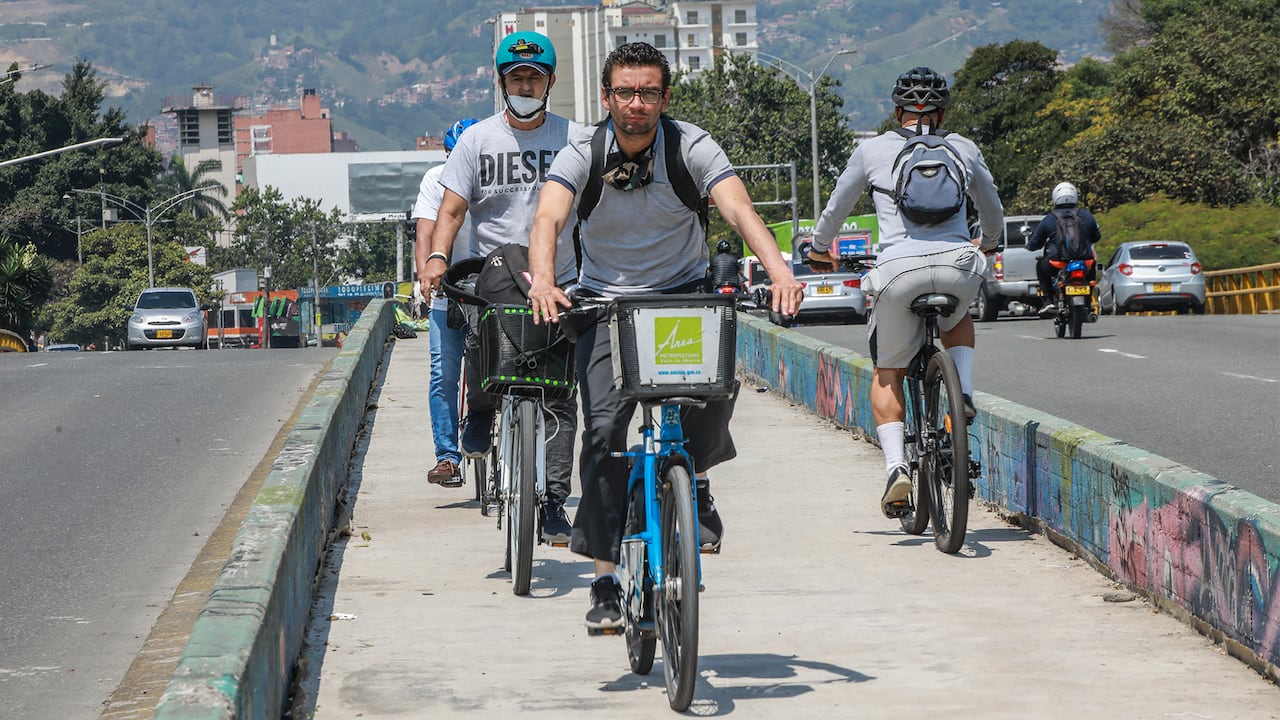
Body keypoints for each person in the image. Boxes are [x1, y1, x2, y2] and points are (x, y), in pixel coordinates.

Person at [524, 41, 803, 631]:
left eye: (648, 92)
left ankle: (695, 480)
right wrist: (545, 281)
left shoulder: (690, 145)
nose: (636, 104)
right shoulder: (584, 149)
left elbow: (738, 209)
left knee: (718, 387)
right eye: (625, 92)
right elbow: (548, 216)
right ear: (606, 97)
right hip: (605, 305)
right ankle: (604, 578)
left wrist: (780, 270)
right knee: (602, 432)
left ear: (664, 97)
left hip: (682, 295)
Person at [806, 66, 1004, 519]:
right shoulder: (964, 149)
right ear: (943, 111)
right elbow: (992, 208)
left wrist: (818, 249)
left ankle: (897, 466)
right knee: (958, 321)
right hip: (957, 265)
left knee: (887, 370)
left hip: (897, 271)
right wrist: (987, 243)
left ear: (897, 111)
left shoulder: (871, 150)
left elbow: (837, 207)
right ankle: (964, 393)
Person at [420, 31, 581, 544]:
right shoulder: (476, 141)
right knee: (479, 348)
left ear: (551, 81)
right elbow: (451, 209)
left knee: (559, 394)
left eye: (535, 77)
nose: (526, 85)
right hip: (497, 275)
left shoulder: (576, 138)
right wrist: (437, 258)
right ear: (501, 83)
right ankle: (481, 417)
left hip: (561, 279)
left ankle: (554, 501)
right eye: (517, 78)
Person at [413, 117, 479, 487]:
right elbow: (426, 230)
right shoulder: (435, 181)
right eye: (455, 157)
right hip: (449, 289)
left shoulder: (493, 178)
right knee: (443, 374)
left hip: (491, 288)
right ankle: (446, 456)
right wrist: (426, 274)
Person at [1026, 181, 1102, 316]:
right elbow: (1096, 237)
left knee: (1040, 267)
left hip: (1058, 262)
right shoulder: (1086, 216)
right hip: (1085, 261)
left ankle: (1048, 300)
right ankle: (1089, 301)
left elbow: (1034, 245)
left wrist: (1031, 243)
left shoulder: (1049, 219)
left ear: (1055, 197)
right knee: (1092, 268)